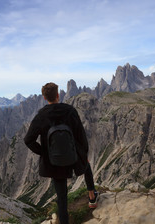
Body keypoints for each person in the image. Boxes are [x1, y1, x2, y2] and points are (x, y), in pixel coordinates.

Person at [24, 82, 98, 224]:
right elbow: (81, 135)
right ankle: (92, 196)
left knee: (62, 198)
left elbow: (28, 140)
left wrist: (44, 152)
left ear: (45, 98)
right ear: (58, 95)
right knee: (87, 166)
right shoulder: (70, 111)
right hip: (73, 154)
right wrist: (83, 154)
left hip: (54, 161)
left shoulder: (41, 115)